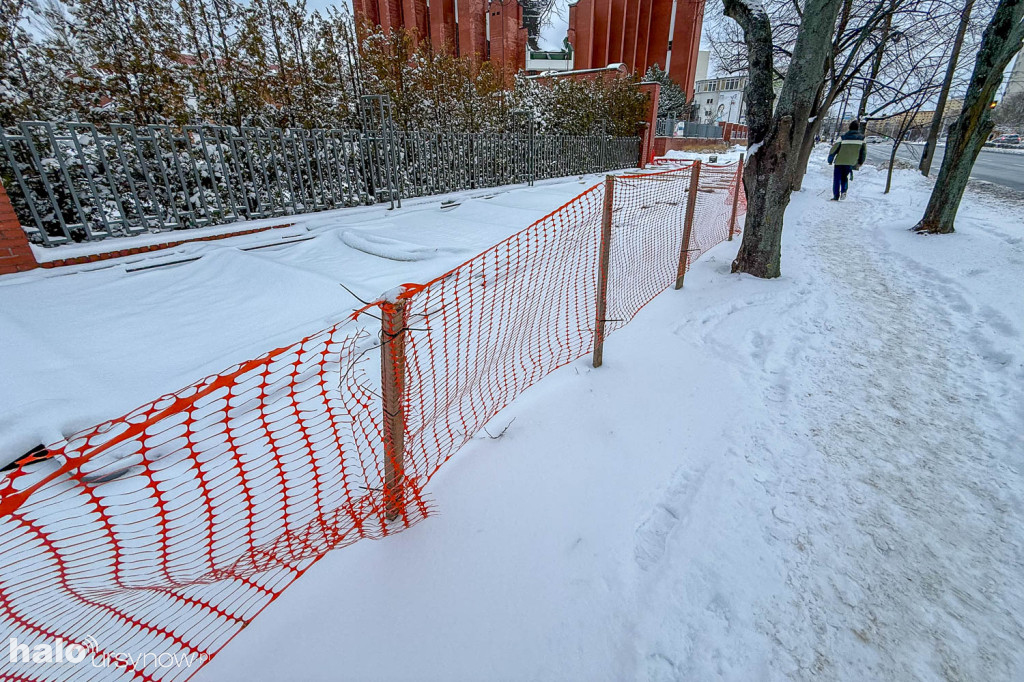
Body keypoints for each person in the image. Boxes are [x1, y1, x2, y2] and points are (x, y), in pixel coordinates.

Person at [827, 121, 867, 200]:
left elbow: (834, 149)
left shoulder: (842, 137)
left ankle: (836, 196)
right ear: (857, 128)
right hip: (851, 162)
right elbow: (863, 152)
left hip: (839, 161)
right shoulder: (862, 138)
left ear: (849, 127)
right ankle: (844, 191)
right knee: (844, 177)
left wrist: (830, 160)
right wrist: (860, 162)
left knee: (837, 179)